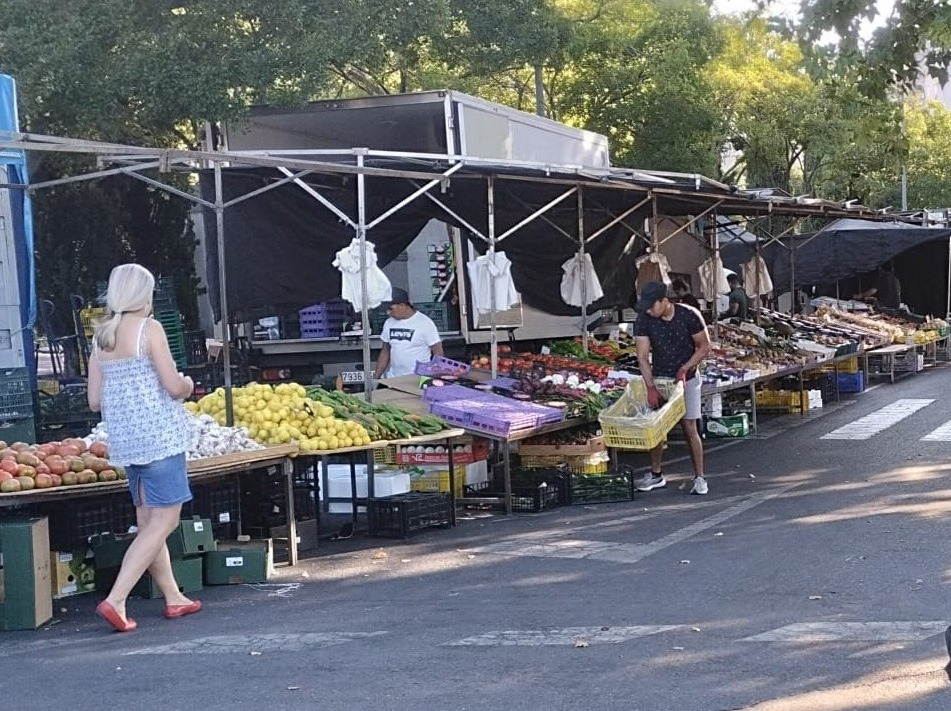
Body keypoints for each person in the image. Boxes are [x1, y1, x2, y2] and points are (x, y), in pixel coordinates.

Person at [87, 264, 199, 632]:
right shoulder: (150, 330)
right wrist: (187, 384)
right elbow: (171, 385)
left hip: (126, 443)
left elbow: (93, 400)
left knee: (148, 522)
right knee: (165, 521)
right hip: (160, 439)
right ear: (143, 295)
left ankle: (174, 598)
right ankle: (116, 599)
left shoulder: (101, 337)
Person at [632, 281, 711, 495]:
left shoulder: (689, 315)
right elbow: (642, 356)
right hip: (660, 378)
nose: (648, 310)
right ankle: (656, 474)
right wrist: (650, 387)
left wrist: (685, 368)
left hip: (689, 379)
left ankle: (700, 477)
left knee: (690, 427)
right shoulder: (644, 320)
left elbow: (704, 346)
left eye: (652, 306)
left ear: (665, 301)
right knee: (655, 427)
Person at [373, 287, 443, 379]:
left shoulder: (425, 323)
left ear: (402, 305)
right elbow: (385, 351)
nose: (388, 312)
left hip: (418, 379)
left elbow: (438, 351)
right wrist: (376, 377)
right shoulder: (389, 323)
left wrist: (436, 376)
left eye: (390, 309)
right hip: (394, 378)